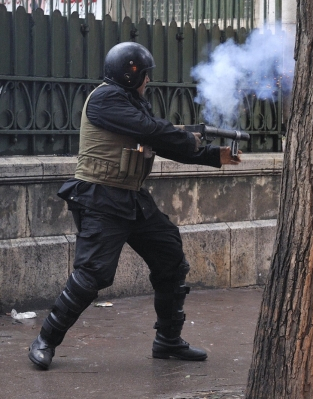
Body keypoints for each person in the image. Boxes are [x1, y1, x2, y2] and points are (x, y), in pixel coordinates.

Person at [28, 41, 241, 370]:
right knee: (92, 275)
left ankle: (168, 340)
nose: (147, 80)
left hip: (131, 197)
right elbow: (152, 130)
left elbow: (159, 139)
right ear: (130, 75)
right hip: (101, 198)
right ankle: (45, 340)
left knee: (170, 258)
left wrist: (216, 155)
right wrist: (185, 138)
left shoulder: (131, 101)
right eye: (144, 74)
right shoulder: (105, 98)